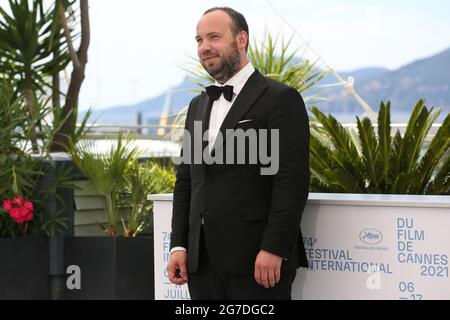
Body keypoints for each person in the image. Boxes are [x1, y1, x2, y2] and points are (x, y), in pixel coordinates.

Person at [167, 7, 310, 300]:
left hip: (258, 262)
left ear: (241, 39)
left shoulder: (280, 99)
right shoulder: (198, 105)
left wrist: (274, 248)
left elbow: (291, 181)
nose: (204, 47)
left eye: (214, 37)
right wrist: (179, 245)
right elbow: (187, 181)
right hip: (201, 263)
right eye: (199, 40)